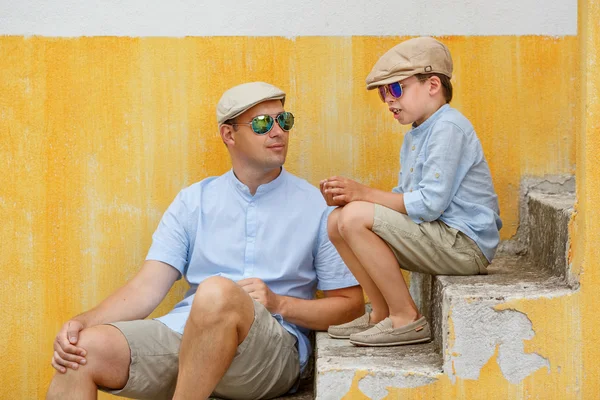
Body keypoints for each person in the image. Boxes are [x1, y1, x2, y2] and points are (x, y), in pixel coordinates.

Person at [47, 81, 364, 399]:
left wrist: (279, 303)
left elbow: (350, 307)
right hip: (187, 335)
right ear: (229, 135)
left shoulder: (316, 207)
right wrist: (82, 322)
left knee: (217, 292)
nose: (278, 131)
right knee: (80, 352)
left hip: (269, 353)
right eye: (262, 123)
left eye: (284, 120)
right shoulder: (193, 201)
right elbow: (146, 288)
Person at [321, 37, 502, 347]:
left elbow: (429, 204)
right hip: (438, 235)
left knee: (353, 218)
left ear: (432, 85)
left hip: (463, 244)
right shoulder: (418, 132)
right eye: (383, 93)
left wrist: (363, 194)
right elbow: (404, 198)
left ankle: (406, 317)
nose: (389, 101)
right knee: (336, 222)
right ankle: (381, 311)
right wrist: (350, 199)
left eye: (395, 89)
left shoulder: (449, 128)